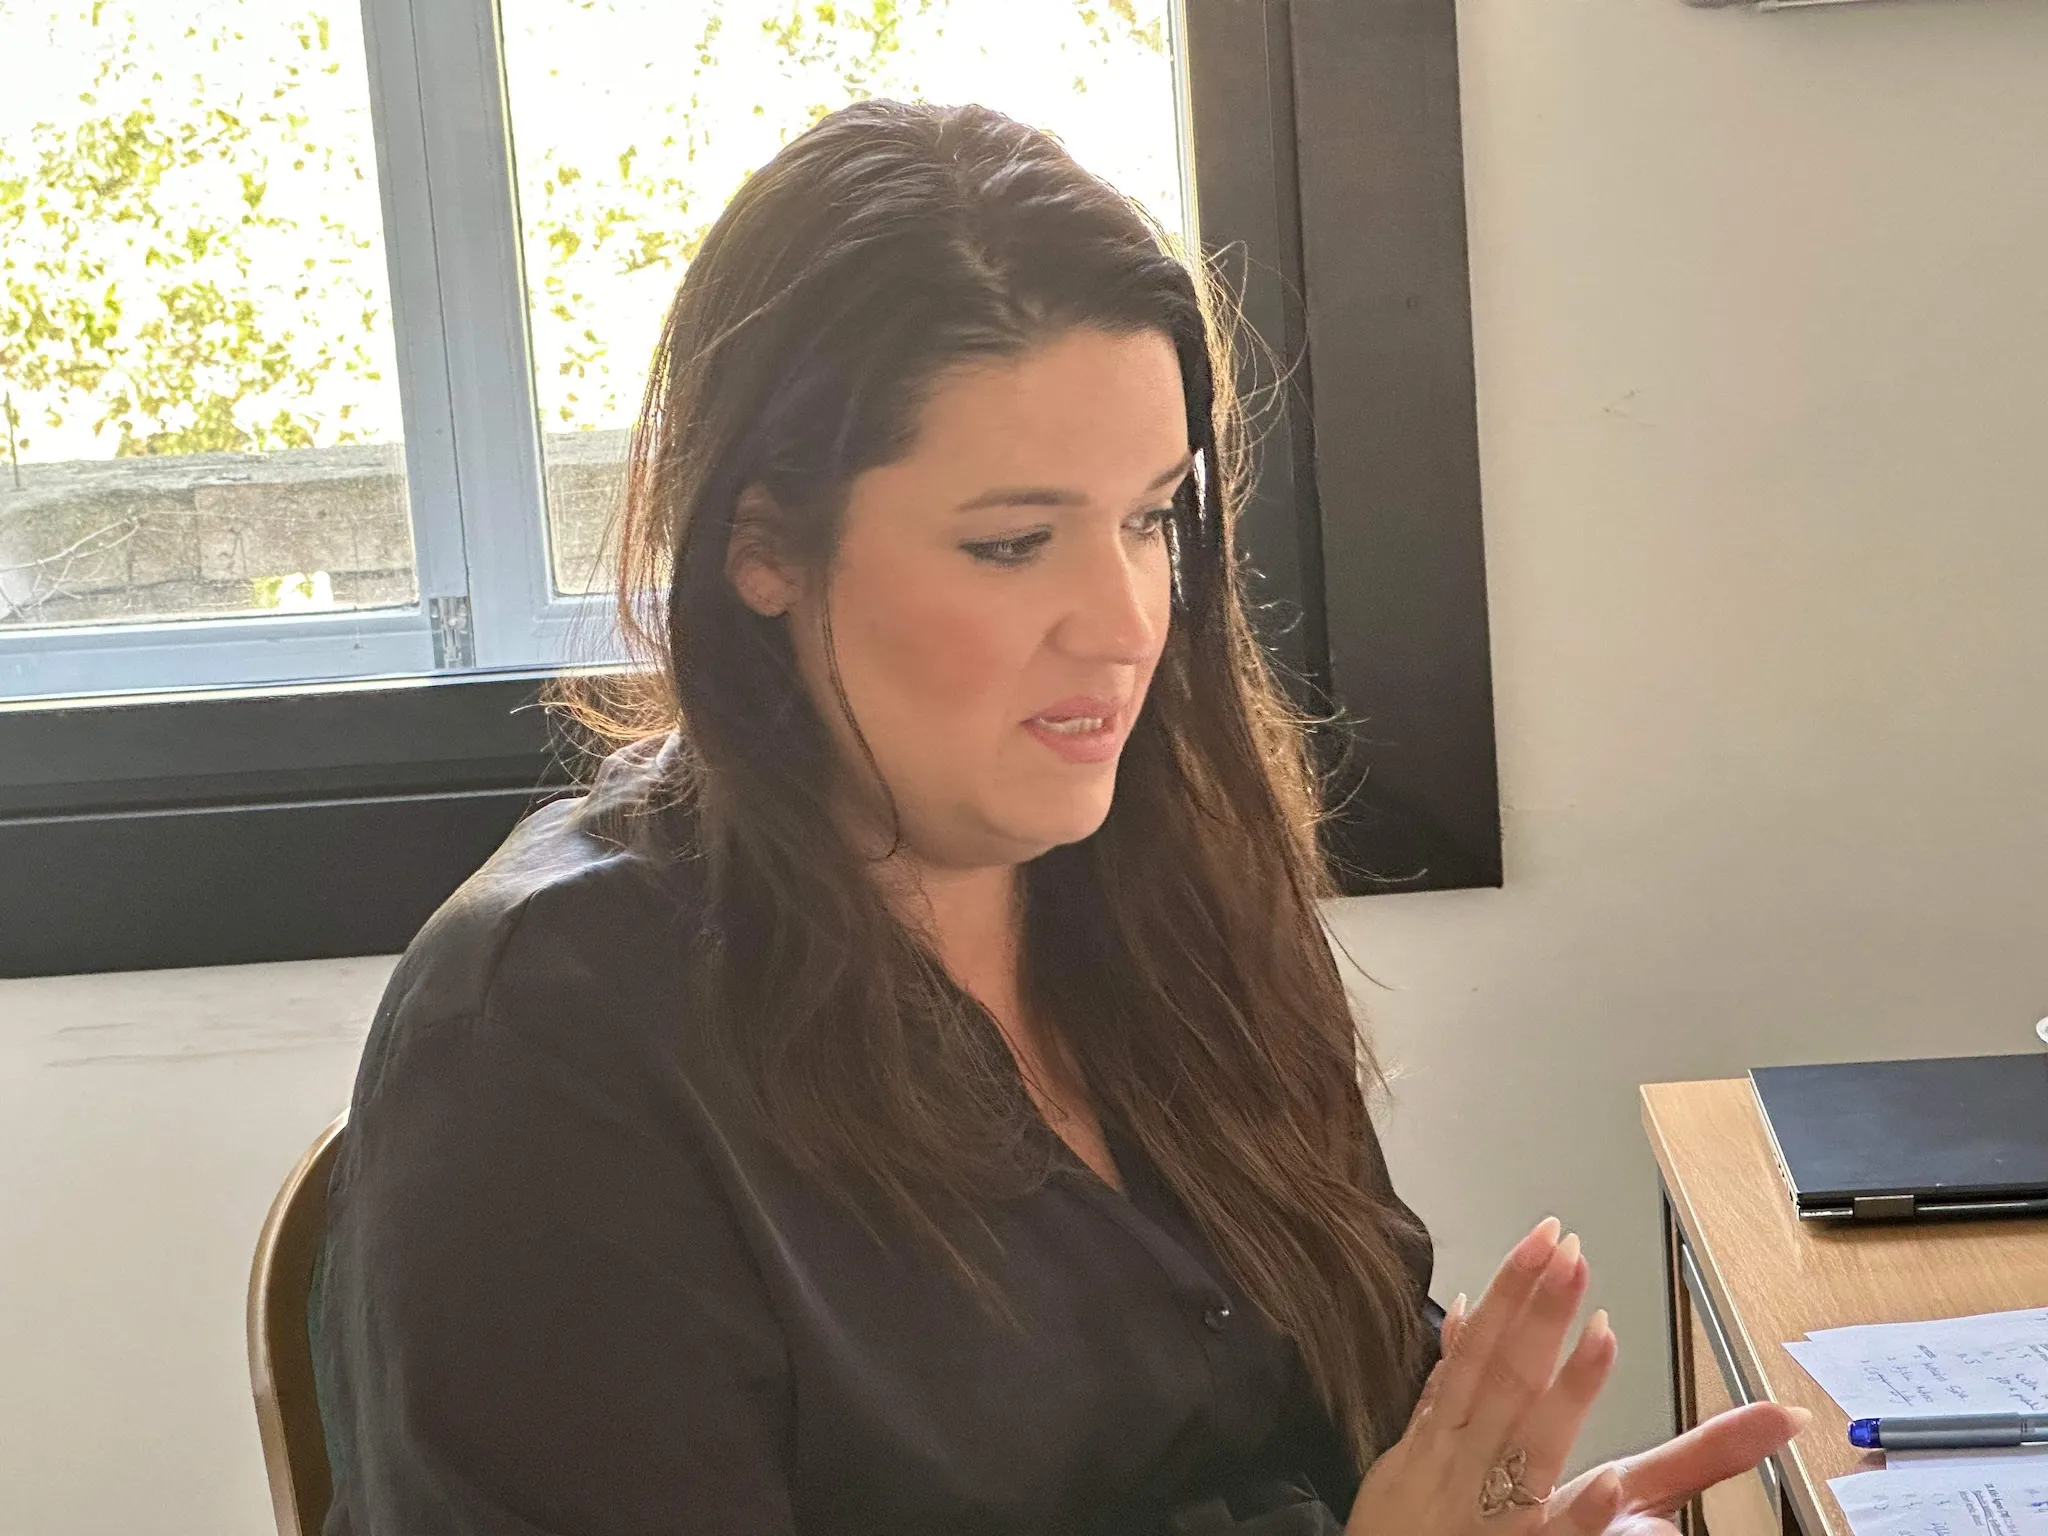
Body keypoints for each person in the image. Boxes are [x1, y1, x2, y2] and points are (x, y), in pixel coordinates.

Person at [312, 100, 1802, 1535]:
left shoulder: (1168, 870)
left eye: (1150, 519)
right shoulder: (546, 1038)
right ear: (763, 549)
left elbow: (1373, 1419)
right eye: (1015, 543)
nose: (1125, 623)